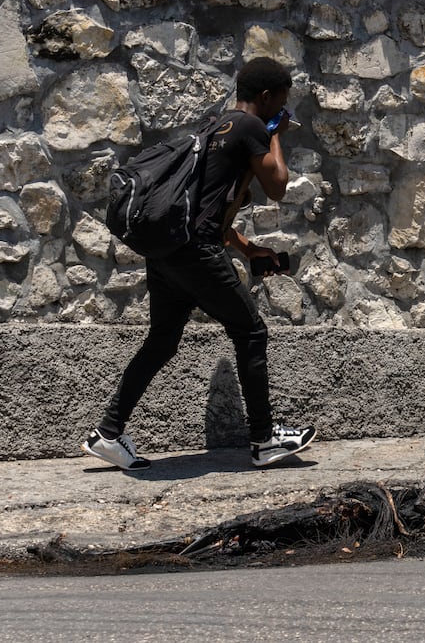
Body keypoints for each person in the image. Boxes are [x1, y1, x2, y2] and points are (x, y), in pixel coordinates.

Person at [83, 57, 316, 470]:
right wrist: (276, 132)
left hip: (169, 250)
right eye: (281, 101)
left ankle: (109, 433)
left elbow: (206, 209)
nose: (282, 108)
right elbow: (278, 186)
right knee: (251, 332)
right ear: (266, 97)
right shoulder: (250, 127)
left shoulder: (215, 126)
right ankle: (264, 440)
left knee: (162, 341)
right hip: (196, 253)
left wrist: (247, 249)